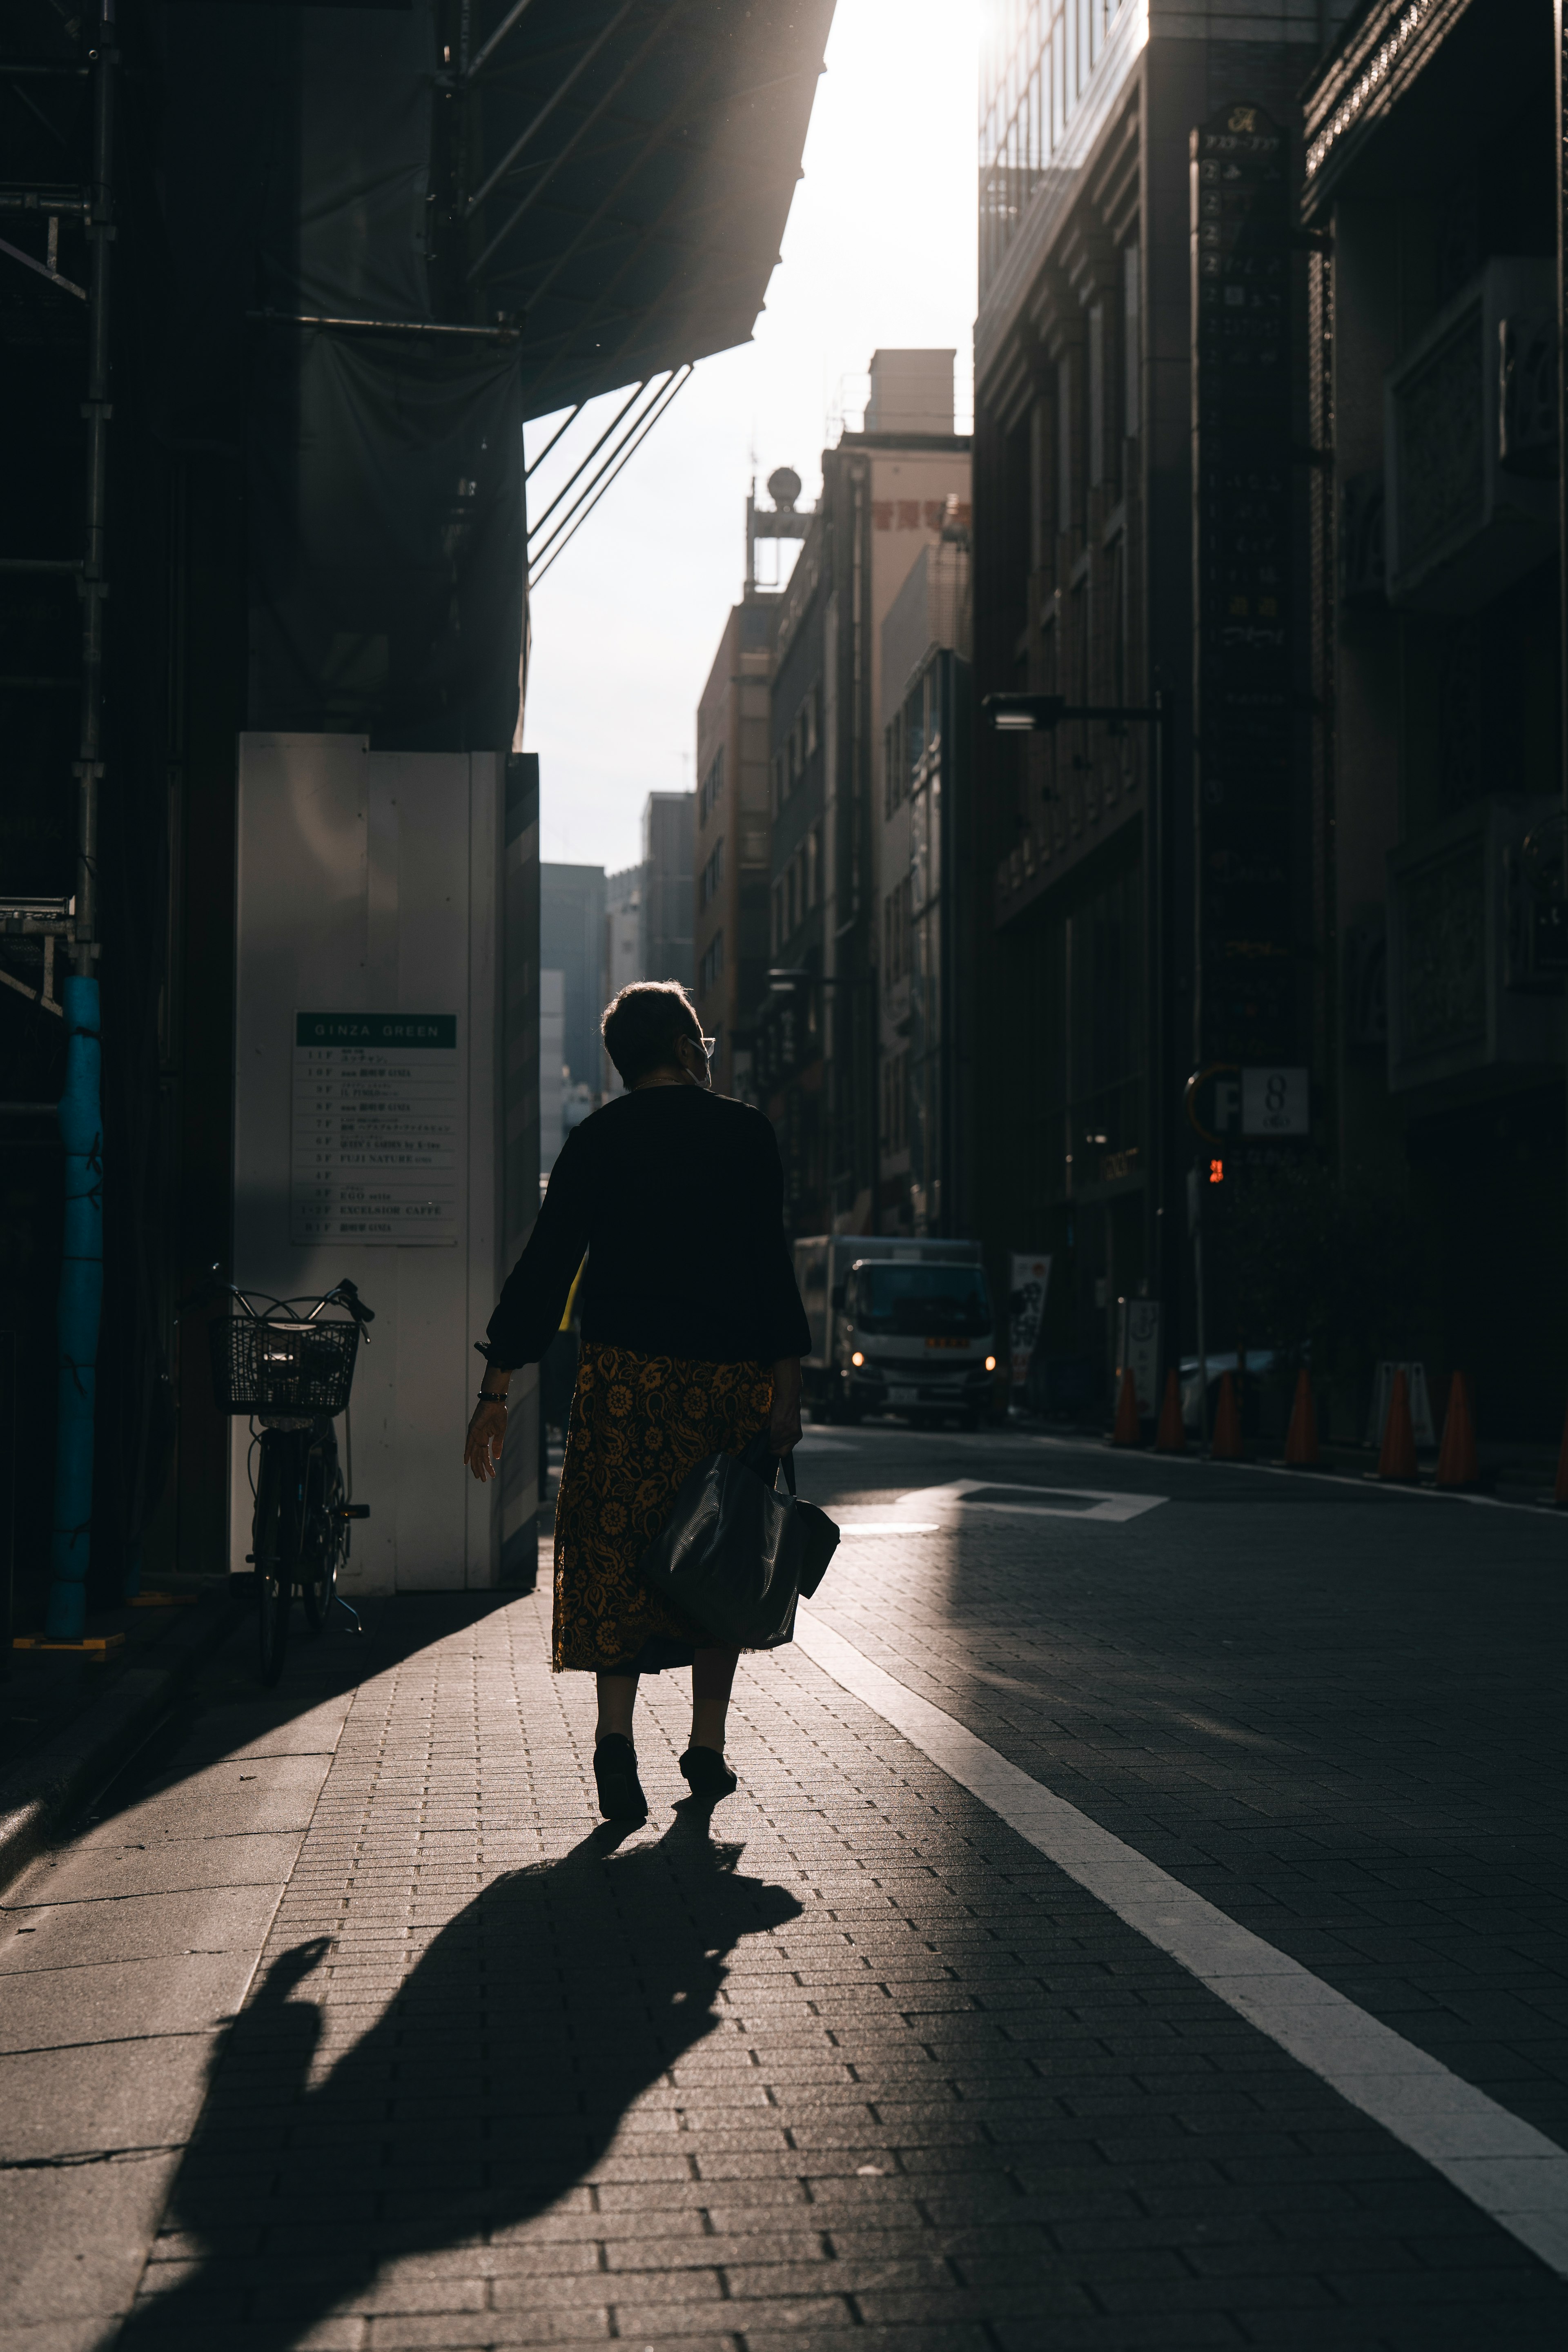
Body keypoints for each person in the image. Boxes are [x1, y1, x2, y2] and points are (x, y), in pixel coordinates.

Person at [463, 981, 809, 1822]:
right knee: (716, 1562)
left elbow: (547, 1268)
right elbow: (772, 1266)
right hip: (727, 1382)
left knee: (616, 1556)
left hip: (624, 1383)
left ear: (620, 1062)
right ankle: (706, 1748)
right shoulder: (744, 1134)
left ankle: (614, 1743)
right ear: (690, 1048)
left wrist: (497, 1385)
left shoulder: (597, 1140)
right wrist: (787, 1391)